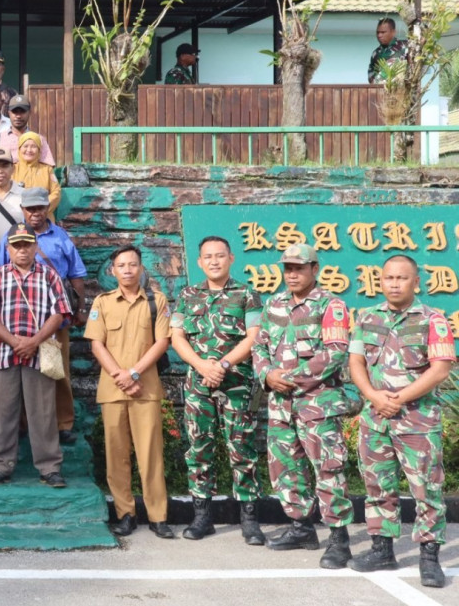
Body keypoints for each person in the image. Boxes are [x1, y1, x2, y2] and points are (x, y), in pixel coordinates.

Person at [347, 255, 455, 588]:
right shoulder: (367, 318)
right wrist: (373, 397)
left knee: (426, 490)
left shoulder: (433, 320)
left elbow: (441, 368)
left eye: (401, 278)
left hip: (417, 422)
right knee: (377, 487)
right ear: (381, 281)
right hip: (375, 418)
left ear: (416, 282)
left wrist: (398, 398)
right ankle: (383, 549)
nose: (394, 283)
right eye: (389, 278)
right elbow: (356, 362)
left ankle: (429, 558)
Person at [251, 243, 355, 569]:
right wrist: (267, 374)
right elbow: (259, 348)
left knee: (328, 469)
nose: (292, 274)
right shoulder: (274, 305)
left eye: (299, 267)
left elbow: (335, 352)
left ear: (314, 268)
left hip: (317, 405)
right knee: (285, 467)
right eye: (288, 268)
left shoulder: (330, 305)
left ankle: (339, 539)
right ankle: (301, 528)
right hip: (280, 405)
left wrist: (289, 377)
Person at [169, 236, 265, 545]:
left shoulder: (247, 295)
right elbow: (177, 337)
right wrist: (202, 366)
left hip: (236, 383)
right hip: (199, 385)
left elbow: (254, 337)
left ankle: (249, 519)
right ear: (199, 262)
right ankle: (202, 517)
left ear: (231, 259)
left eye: (220, 256)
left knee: (243, 449)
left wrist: (221, 365)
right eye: (208, 256)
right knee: (199, 448)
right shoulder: (187, 295)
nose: (214, 261)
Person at [85, 245, 173, 538]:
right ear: (113, 271)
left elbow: (162, 342)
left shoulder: (157, 301)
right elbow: (97, 344)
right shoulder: (102, 302)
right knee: (117, 455)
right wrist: (119, 375)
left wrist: (134, 373)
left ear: (141, 269)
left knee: (150, 454)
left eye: (132, 264)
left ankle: (158, 516)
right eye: (121, 265)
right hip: (112, 390)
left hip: (145, 388)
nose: (127, 270)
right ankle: (125, 513)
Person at [0, 224, 71, 488]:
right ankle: (0, 466)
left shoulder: (50, 276)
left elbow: (59, 313)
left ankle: (49, 467)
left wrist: (34, 342)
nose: (22, 250)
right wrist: (15, 342)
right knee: (2, 414)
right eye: (16, 245)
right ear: (8, 249)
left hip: (39, 354)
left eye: (27, 244)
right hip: (4, 354)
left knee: (43, 413)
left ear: (35, 247)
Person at [0, 188, 86, 445]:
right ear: (22, 210)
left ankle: (63, 423)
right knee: (21, 373)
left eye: (39, 208)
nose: (35, 213)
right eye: (29, 208)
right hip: (17, 318)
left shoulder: (61, 236)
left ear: (48, 208)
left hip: (55, 317)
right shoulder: (11, 237)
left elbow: (76, 275)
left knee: (59, 371)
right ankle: (24, 424)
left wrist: (79, 309)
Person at [0, 94, 56, 167]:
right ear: (9, 113)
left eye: (22, 111)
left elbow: (49, 168)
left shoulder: (39, 140)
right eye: (15, 112)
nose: (18, 116)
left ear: (29, 113)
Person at [13, 131, 60, 213]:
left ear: (39, 150)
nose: (29, 150)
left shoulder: (47, 170)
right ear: (19, 149)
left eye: (33, 146)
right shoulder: (12, 169)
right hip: (18, 217)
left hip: (43, 217)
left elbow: (56, 192)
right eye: (25, 146)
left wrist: (41, 209)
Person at [368, 17, 408, 85]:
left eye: (383, 32)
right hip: (380, 92)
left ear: (393, 32)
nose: (379, 35)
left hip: (401, 91)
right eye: (378, 32)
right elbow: (371, 74)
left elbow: (417, 69)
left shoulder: (405, 47)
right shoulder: (376, 53)